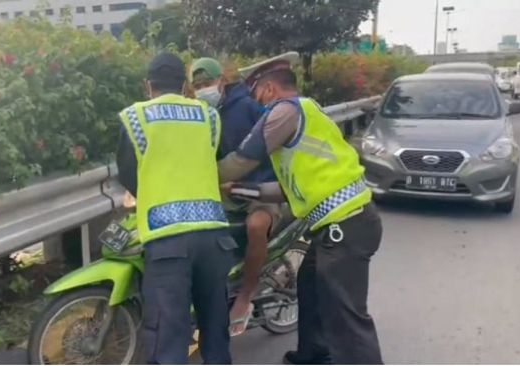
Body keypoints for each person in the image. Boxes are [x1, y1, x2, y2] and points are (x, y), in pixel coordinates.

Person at [218, 52, 384, 365]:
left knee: (345, 313)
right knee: (309, 284)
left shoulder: (284, 111)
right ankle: (313, 353)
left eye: (255, 92)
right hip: (338, 224)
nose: (255, 102)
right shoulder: (305, 113)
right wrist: (240, 190)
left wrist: (200, 176)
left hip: (346, 224)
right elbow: (286, 190)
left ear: (268, 89)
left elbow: (240, 161)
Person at [116, 52, 235, 364]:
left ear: (148, 85)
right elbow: (216, 159)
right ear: (184, 85)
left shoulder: (136, 117)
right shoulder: (208, 116)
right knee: (214, 328)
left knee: (168, 334)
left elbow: (128, 174)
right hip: (213, 237)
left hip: (167, 239)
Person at [190, 57, 280, 336]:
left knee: (255, 227)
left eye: (208, 83)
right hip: (222, 192)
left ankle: (245, 297)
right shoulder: (197, 114)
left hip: (261, 190)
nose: (204, 89)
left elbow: (271, 147)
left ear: (222, 81)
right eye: (198, 85)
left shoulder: (249, 107)